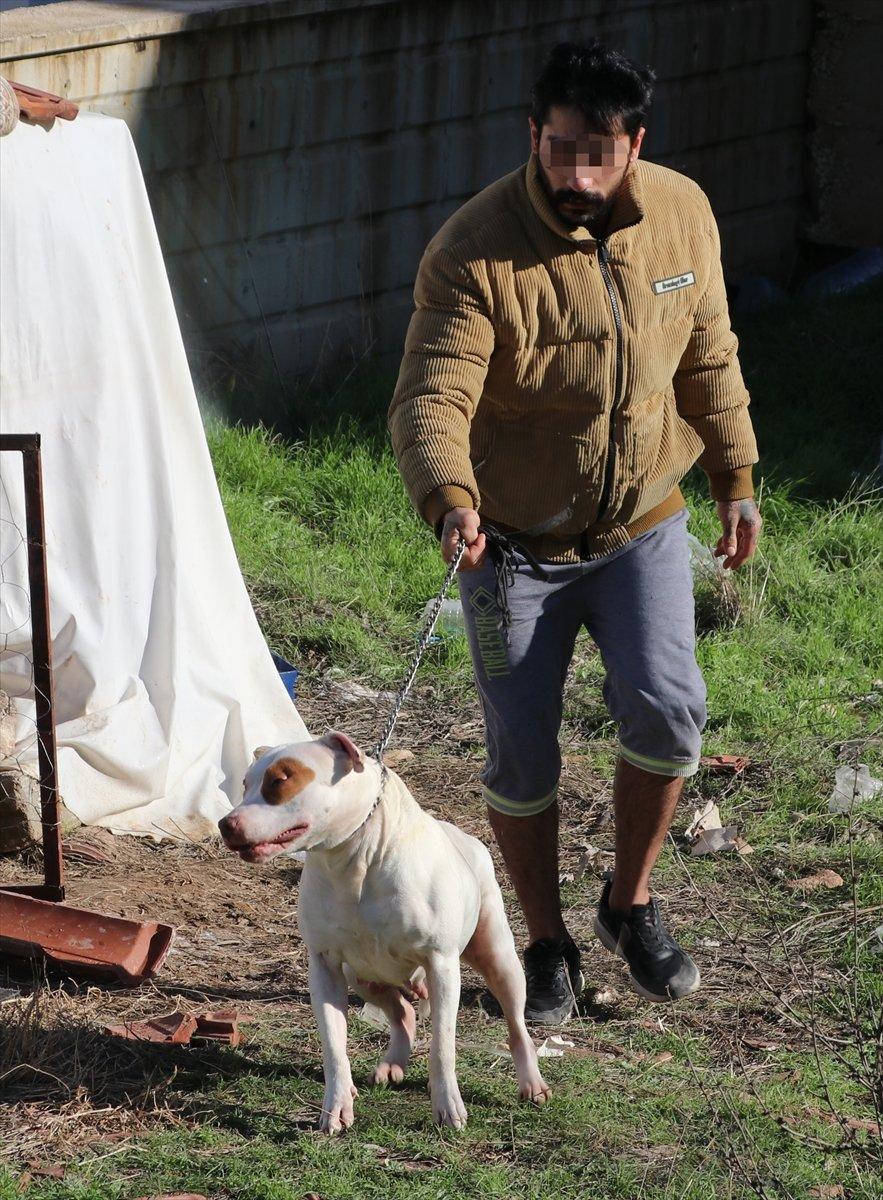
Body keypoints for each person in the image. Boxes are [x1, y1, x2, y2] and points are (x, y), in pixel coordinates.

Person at [388, 40, 762, 1024]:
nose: (579, 176)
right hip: (508, 545)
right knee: (521, 751)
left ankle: (627, 903)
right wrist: (449, 496)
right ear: (533, 137)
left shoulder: (681, 214)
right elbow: (431, 399)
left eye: (599, 154)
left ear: (635, 142)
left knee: (670, 708)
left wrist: (735, 475)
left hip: (642, 525)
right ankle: (544, 941)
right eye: (561, 151)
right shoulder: (471, 250)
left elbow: (708, 352)